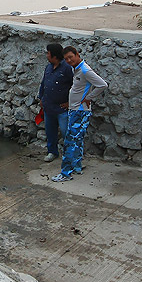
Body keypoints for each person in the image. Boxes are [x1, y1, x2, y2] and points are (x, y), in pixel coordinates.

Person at [52, 46, 108, 182]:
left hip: (79, 111)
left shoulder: (85, 70)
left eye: (71, 57)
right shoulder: (77, 69)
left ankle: (65, 173)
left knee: (70, 142)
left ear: (77, 54)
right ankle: (77, 167)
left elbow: (102, 85)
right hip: (76, 110)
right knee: (77, 141)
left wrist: (89, 98)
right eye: (66, 59)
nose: (69, 60)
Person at [38, 43, 72, 163]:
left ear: (54, 56)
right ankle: (52, 152)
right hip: (49, 107)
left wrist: (70, 102)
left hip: (62, 109)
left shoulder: (67, 68)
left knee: (66, 132)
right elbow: (43, 83)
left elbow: (75, 86)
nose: (47, 55)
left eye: (48, 53)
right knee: (50, 132)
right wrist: (41, 98)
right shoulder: (48, 67)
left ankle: (70, 156)